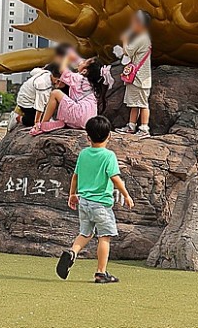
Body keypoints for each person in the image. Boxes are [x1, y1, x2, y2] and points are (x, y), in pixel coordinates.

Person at [56, 115, 133, 284]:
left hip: (84, 201)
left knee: (85, 233)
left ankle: (73, 252)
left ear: (88, 136)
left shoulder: (84, 154)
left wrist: (72, 194)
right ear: (109, 135)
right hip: (101, 205)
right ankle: (101, 272)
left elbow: (75, 176)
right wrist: (126, 195)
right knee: (104, 236)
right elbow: (115, 178)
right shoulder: (108, 156)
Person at [30, 53, 111, 136]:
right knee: (67, 101)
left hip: (80, 114)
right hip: (88, 120)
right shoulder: (92, 85)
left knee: (55, 93)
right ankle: (65, 123)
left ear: (85, 71)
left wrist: (66, 57)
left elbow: (62, 70)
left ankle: (43, 124)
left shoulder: (80, 79)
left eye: (84, 62)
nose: (81, 62)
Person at [117, 11, 152, 138]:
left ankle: (144, 127)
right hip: (137, 77)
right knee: (134, 103)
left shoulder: (142, 38)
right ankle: (131, 125)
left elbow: (129, 51)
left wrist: (125, 40)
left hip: (140, 78)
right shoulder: (143, 37)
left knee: (143, 103)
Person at [14, 63, 62, 128]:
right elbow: (40, 105)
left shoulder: (46, 73)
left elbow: (32, 72)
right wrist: (37, 122)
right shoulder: (43, 84)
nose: (58, 83)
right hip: (27, 102)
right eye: (58, 81)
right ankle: (18, 118)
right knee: (33, 120)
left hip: (27, 95)